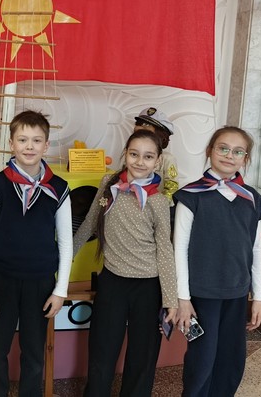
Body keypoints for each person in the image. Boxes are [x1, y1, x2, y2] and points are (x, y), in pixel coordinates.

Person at [0, 109, 73, 396]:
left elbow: (66, 242)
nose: (29, 147)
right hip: (0, 281)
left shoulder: (59, 188)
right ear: (11, 143)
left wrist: (60, 290)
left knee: (34, 354)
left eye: (36, 140)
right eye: (23, 140)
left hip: (40, 283)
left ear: (46, 145)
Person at [73, 129, 178, 396]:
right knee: (102, 351)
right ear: (125, 154)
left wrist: (170, 299)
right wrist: (63, 262)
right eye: (134, 154)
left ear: (158, 161)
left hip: (148, 286)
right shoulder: (108, 183)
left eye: (148, 156)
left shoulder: (158, 201)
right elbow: (89, 224)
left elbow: (165, 249)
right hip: (113, 281)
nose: (140, 162)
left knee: (142, 357)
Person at [173, 126, 261, 397]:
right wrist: (183, 299)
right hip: (202, 295)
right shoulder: (191, 195)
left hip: (237, 293)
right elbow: (179, 249)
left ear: (245, 158)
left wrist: (259, 297)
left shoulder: (251, 199)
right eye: (223, 148)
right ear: (210, 151)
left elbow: (256, 249)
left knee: (231, 359)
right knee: (202, 358)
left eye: (238, 151)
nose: (229, 155)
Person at [134, 107, 179, 202]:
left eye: (146, 125)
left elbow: (172, 186)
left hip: (156, 205)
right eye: (139, 124)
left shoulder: (167, 159)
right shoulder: (131, 154)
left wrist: (159, 204)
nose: (140, 127)